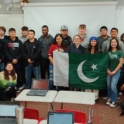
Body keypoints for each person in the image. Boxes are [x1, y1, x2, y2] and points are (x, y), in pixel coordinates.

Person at [106, 38, 123, 107]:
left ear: (117, 43)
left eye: (115, 42)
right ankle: (110, 98)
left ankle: (114, 101)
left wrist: (115, 71)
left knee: (113, 86)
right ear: (110, 43)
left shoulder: (120, 52)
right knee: (108, 85)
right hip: (108, 70)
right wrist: (107, 70)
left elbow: (120, 63)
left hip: (116, 70)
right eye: (112, 42)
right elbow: (105, 62)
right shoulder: (108, 52)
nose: (113, 43)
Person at [18, 26, 29, 90]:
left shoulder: (30, 37)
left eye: (26, 30)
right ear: (22, 31)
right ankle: (23, 84)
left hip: (29, 58)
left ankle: (29, 84)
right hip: (21, 58)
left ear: (28, 31)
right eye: (23, 30)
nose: (24, 32)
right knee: (22, 71)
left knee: (29, 72)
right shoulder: (19, 39)